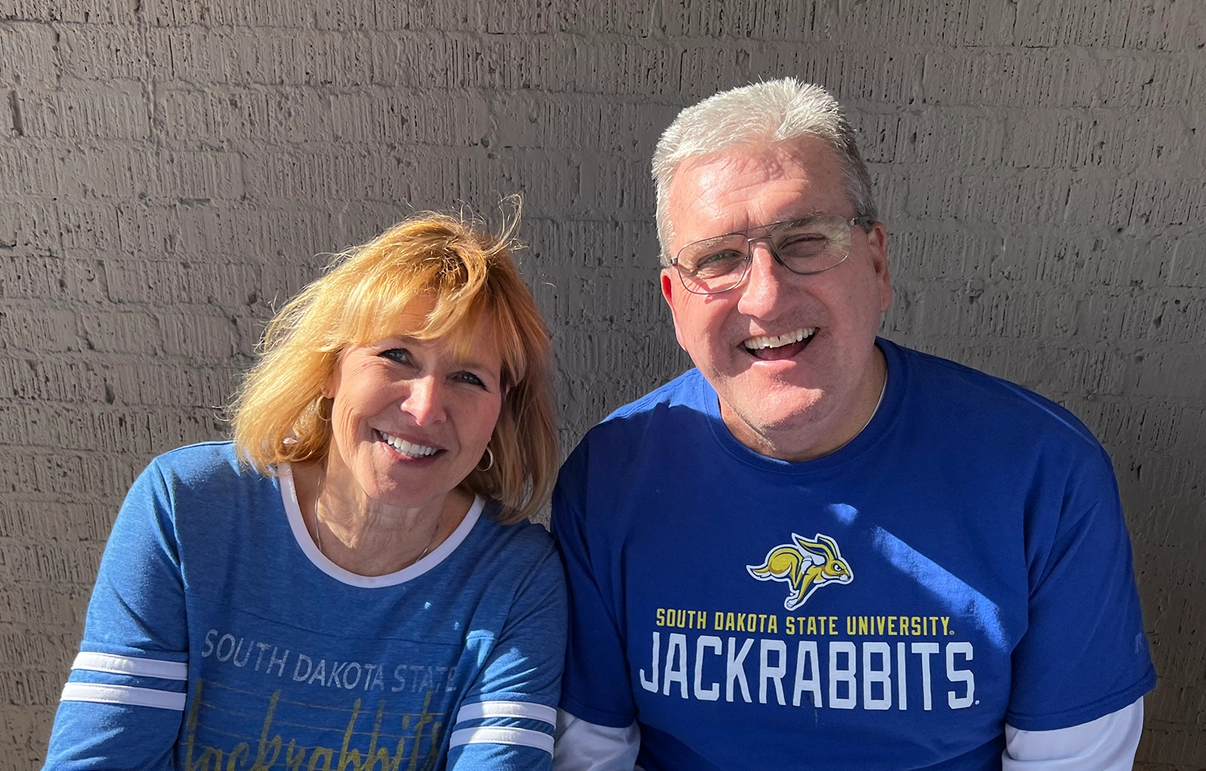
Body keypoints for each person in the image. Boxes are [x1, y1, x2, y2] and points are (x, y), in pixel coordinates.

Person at [552, 79, 1155, 770]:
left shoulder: (1043, 475)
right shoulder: (611, 477)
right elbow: (590, 754)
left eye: (804, 240)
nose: (766, 296)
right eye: (718, 259)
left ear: (876, 261)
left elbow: (1070, 760)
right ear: (675, 303)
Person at [44, 207, 566, 770]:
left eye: (468, 377)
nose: (425, 408)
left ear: (500, 412)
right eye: (397, 355)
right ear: (330, 368)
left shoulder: (516, 578)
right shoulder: (188, 507)